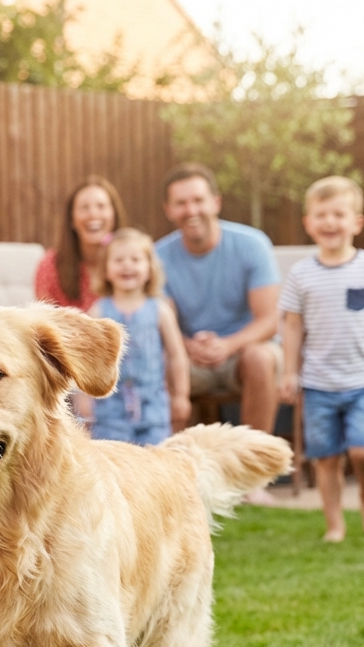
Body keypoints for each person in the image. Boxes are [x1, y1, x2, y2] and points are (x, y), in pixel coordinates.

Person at [278, 176, 364, 542]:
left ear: (357, 222)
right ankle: (335, 524)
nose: (329, 222)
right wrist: (289, 373)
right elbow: (292, 327)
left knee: (362, 450)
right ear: (308, 223)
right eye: (321, 215)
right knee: (326, 459)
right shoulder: (301, 274)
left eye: (339, 214)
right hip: (319, 382)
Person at [155, 163, 282, 504]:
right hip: (190, 358)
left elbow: (269, 321)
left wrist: (227, 345)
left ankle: (252, 480)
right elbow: (158, 319)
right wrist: (185, 347)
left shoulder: (252, 244)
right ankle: (178, 483)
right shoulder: (158, 256)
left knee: (261, 356)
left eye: (198, 200)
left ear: (215, 201)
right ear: (169, 210)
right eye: (181, 203)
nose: (191, 210)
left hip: (242, 352)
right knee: (160, 363)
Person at [75, 228, 191, 445]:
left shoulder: (160, 309)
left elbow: (177, 356)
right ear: (106, 270)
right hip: (109, 415)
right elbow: (86, 360)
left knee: (154, 463)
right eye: (119, 260)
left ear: (149, 269)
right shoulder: (99, 311)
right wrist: (83, 398)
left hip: (153, 412)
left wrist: (181, 395)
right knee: (114, 464)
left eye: (135, 259)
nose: (127, 265)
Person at [35, 176, 127, 311]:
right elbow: (44, 321)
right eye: (84, 208)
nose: (93, 214)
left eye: (101, 206)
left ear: (114, 215)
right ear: (72, 219)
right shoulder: (51, 265)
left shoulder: (132, 262)